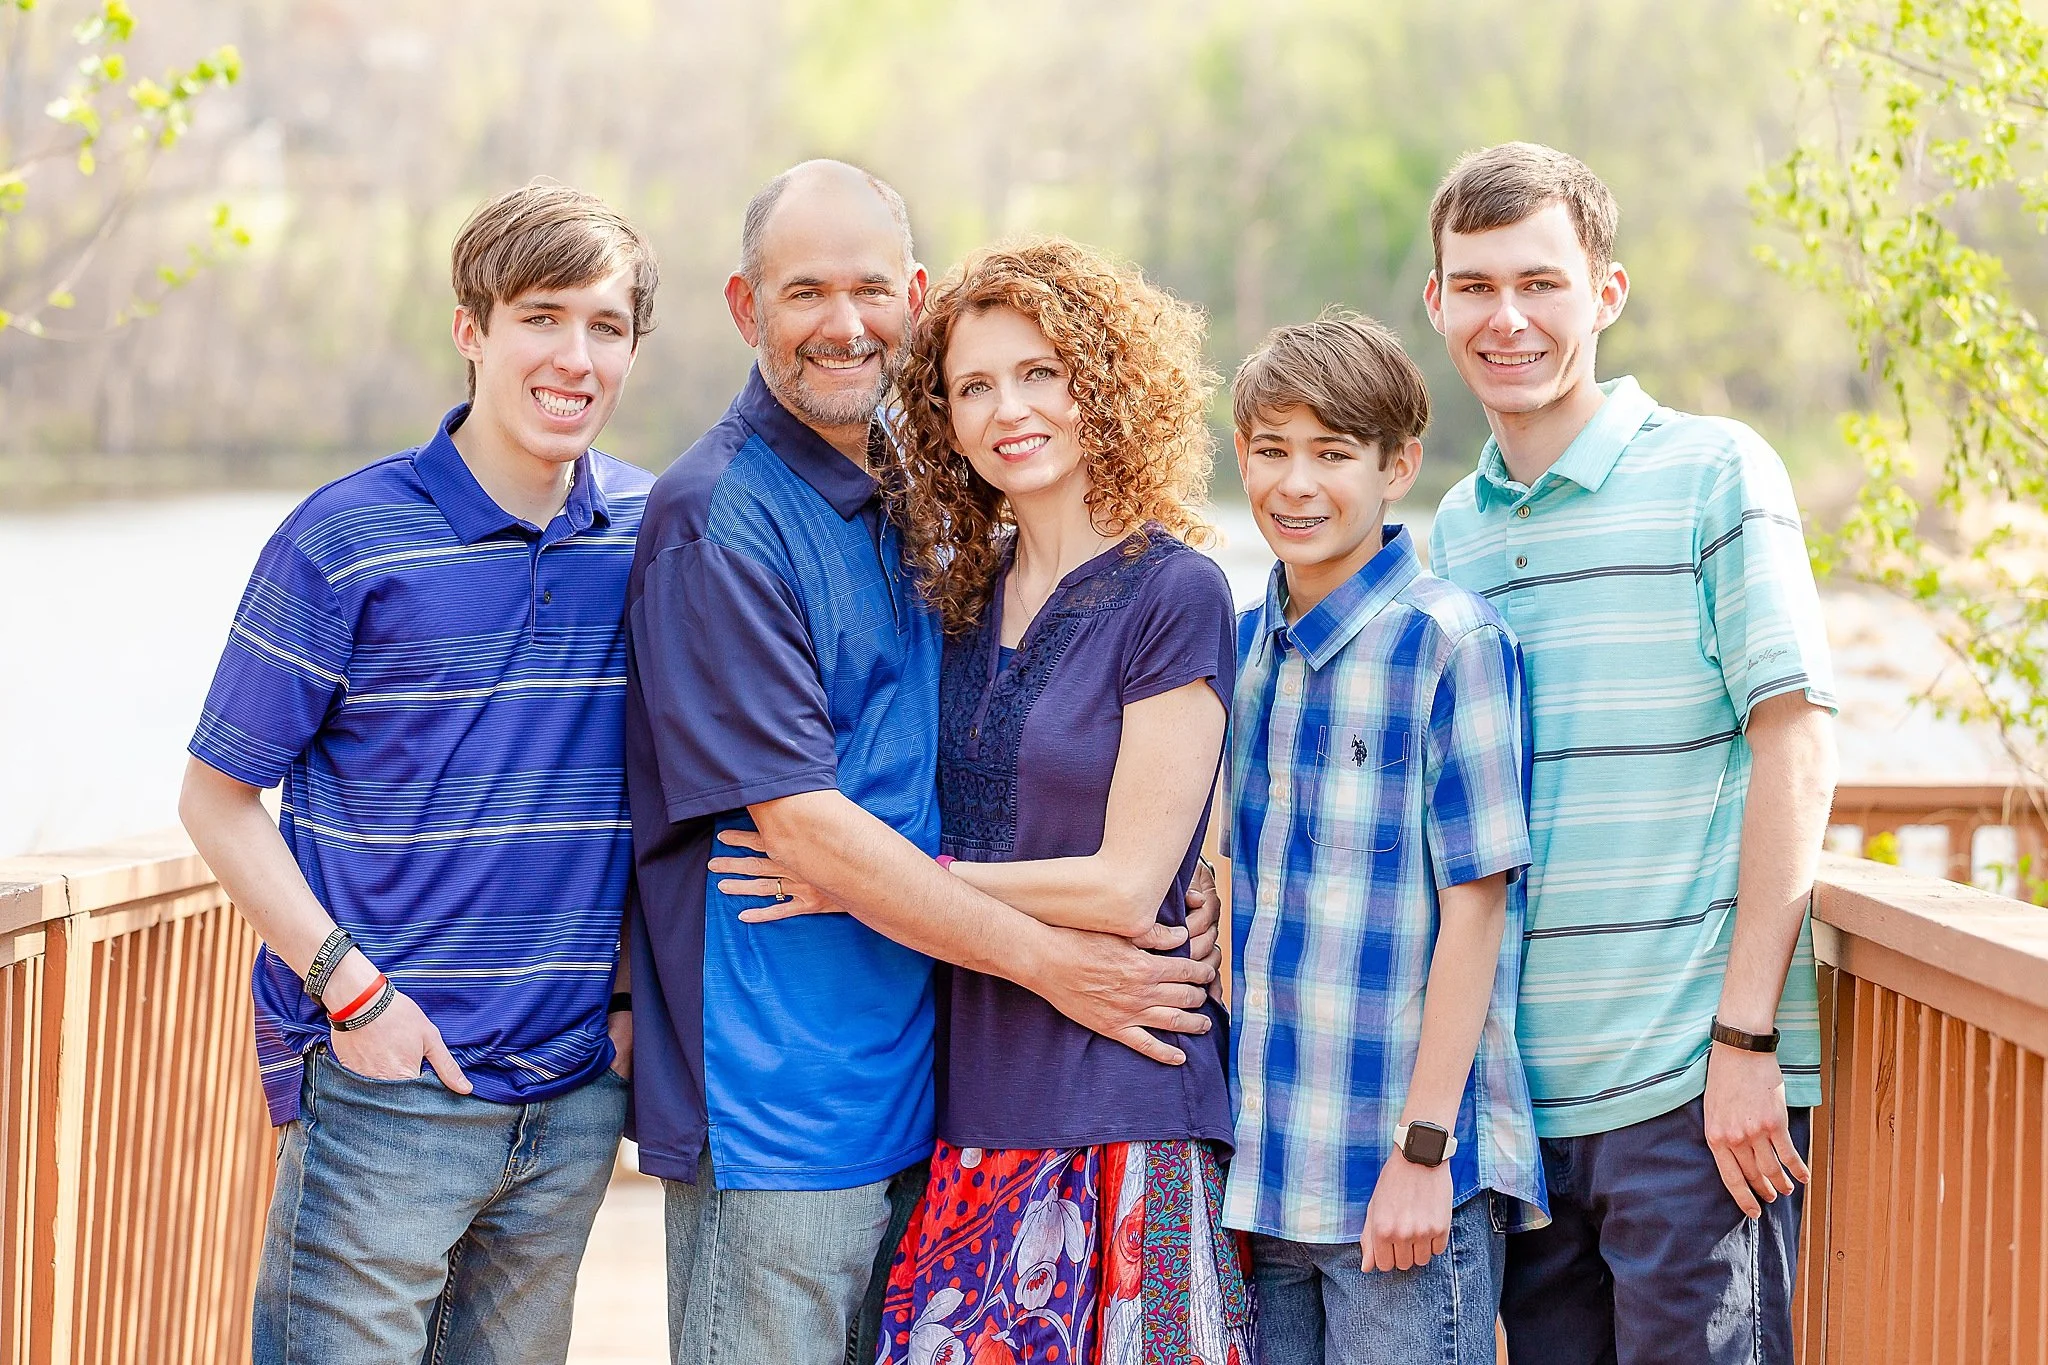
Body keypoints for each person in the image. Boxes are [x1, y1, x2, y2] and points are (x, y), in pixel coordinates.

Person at [625, 164, 1223, 1365]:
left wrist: (1200, 874)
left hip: (972, 1094)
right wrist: (1051, 957)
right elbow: (800, 832)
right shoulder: (723, 521)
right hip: (790, 1114)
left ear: (906, 297)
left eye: (867, 290)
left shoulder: (924, 523)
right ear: (746, 310)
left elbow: (1113, 828)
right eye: (804, 293)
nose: (843, 324)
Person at [178, 181, 656, 1363]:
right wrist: (354, 994)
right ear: (471, 329)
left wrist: (630, 1007)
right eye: (541, 316)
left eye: (606, 326)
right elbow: (216, 797)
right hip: (387, 1088)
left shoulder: (654, 532)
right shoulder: (344, 539)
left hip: (571, 1097)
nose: (574, 357)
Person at [1423, 142, 1839, 1365]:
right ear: (1437, 303)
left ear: (1603, 293)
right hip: (1519, 1109)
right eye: (1476, 284)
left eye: (1540, 283)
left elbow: (1796, 740)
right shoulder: (1454, 529)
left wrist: (1747, 1042)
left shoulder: (1714, 472)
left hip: (1686, 1094)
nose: (1507, 318)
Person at [1222, 312, 1545, 1364]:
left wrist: (1422, 1153)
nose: (1296, 484)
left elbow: (1477, 909)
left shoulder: (1449, 644)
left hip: (1401, 1181)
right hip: (1264, 1180)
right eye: (1271, 451)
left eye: (1331, 454)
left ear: (1396, 464)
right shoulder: (1241, 648)